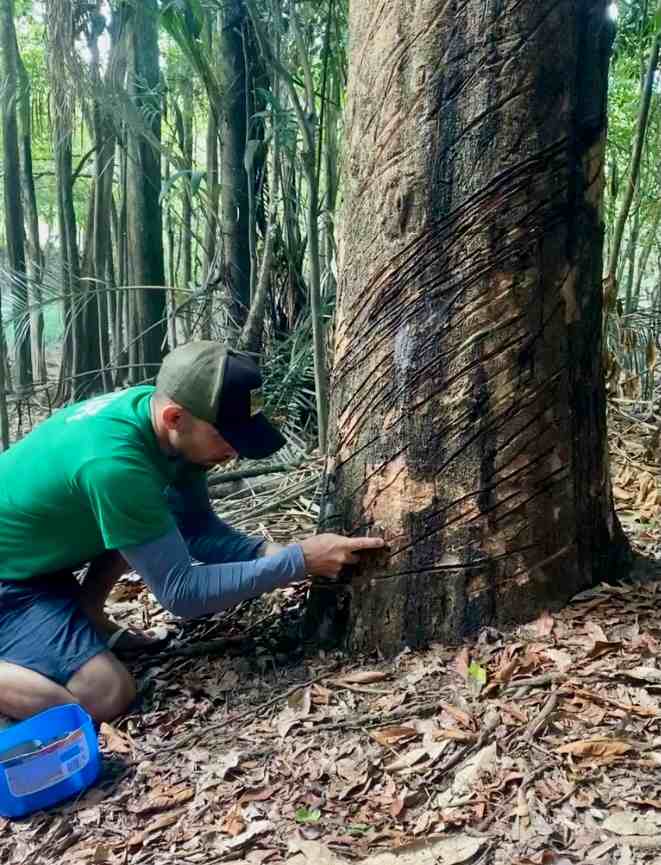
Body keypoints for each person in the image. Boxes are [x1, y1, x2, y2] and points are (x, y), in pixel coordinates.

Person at [0, 342, 384, 724]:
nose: (234, 451)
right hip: (10, 583)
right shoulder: (116, 465)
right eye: (226, 436)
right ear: (174, 417)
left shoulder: (166, 429)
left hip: (37, 564)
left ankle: (86, 613)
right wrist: (299, 562)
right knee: (105, 693)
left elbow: (196, 530)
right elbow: (181, 593)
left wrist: (275, 552)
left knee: (140, 521)